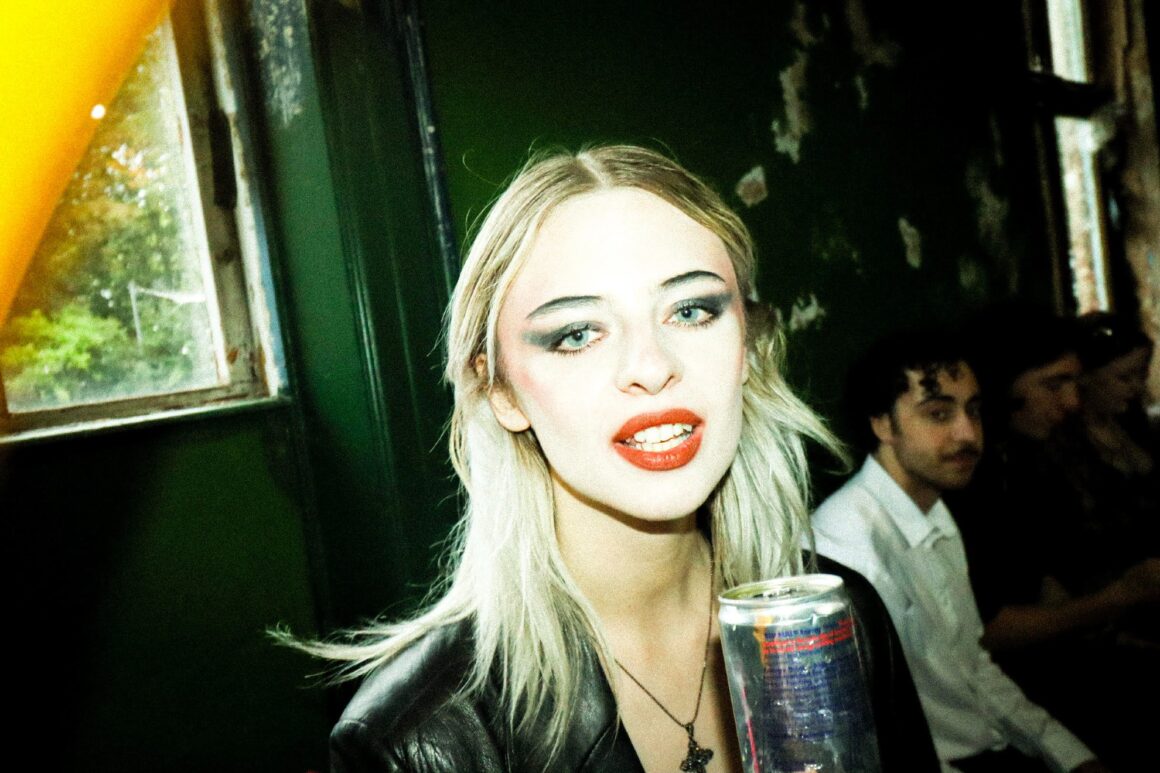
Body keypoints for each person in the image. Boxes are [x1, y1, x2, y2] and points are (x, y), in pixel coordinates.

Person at [283, 146, 939, 772]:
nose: (652, 367)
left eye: (690, 310)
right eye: (577, 334)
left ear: (747, 346)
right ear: (501, 391)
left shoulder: (845, 620)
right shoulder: (418, 738)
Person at [811, 327, 1107, 773]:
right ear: (882, 424)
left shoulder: (935, 513)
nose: (968, 434)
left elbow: (973, 668)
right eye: (938, 413)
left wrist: (1074, 758)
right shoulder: (847, 547)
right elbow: (868, 737)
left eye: (974, 410)